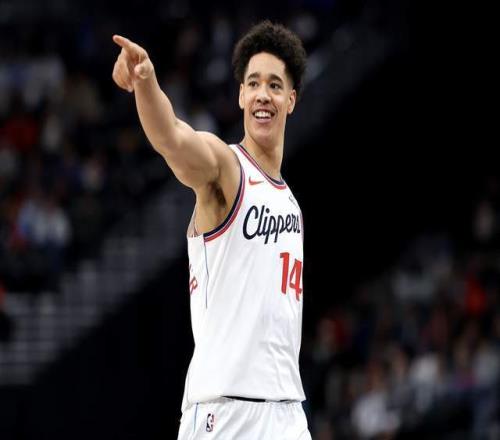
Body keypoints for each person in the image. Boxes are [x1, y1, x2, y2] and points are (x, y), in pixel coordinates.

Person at [112, 20, 311, 440]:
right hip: (224, 413)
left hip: (287, 413)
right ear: (240, 95)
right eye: (253, 83)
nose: (263, 94)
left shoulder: (290, 202)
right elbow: (173, 138)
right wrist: (146, 83)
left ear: (290, 100)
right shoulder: (227, 168)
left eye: (275, 85)